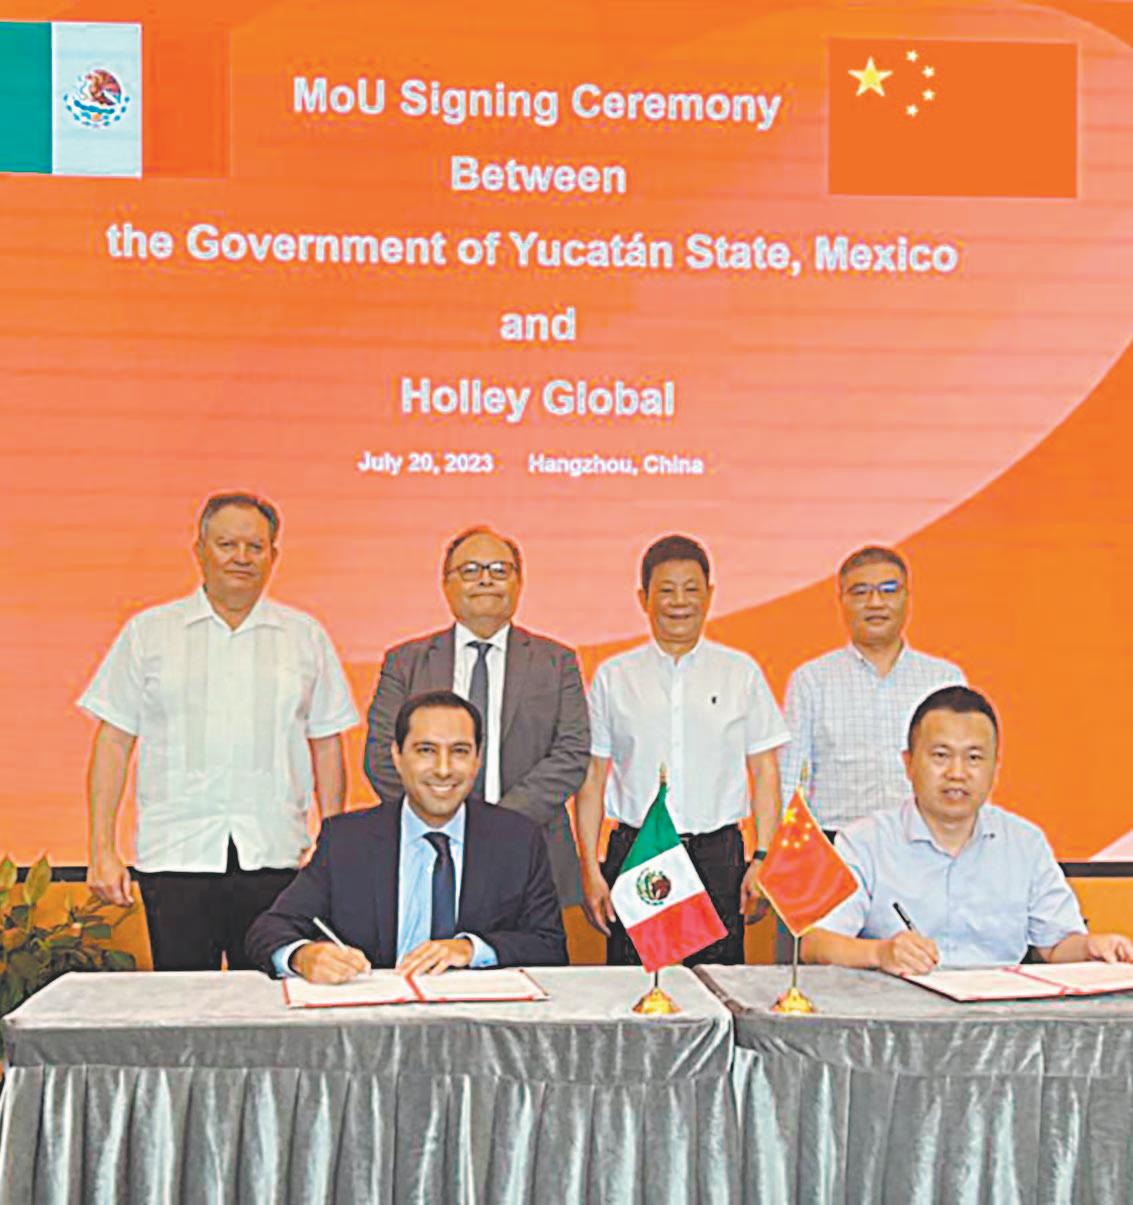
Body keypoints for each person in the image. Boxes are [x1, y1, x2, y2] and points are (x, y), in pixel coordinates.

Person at [80, 492, 358, 971]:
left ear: (273, 555)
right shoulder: (150, 632)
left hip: (276, 854)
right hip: (176, 855)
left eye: (255, 546)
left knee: (272, 995)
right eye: (227, 544)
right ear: (199, 550)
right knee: (183, 999)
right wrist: (101, 848)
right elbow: (114, 742)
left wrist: (331, 845)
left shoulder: (305, 636)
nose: (241, 557)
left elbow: (327, 743)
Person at [802, 686, 1133, 972]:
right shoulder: (864, 841)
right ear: (909, 763)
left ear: (995, 768)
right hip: (896, 1014)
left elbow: (1057, 944)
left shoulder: (1025, 844)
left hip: (1000, 1017)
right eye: (941, 755)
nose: (957, 773)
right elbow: (816, 943)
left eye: (974, 758)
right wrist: (880, 953)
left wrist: (1091, 947)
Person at [246, 691, 568, 980]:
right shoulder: (347, 841)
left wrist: (472, 949)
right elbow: (269, 930)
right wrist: (302, 956)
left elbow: (550, 946)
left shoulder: (518, 839)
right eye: (426, 750)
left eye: (459, 751)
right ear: (397, 756)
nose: (443, 769)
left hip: (478, 1021)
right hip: (375, 1018)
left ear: (477, 760)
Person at [575, 534, 789, 966]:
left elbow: (765, 771)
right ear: (643, 598)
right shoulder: (615, 676)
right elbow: (592, 777)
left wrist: (763, 857)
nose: (679, 602)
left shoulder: (740, 672)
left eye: (691, 589)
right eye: (666, 590)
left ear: (709, 595)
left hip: (717, 858)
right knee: (637, 987)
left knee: (717, 987)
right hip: (639, 854)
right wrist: (590, 869)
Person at [363, 527, 589, 908]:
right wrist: (441, 820)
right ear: (446, 584)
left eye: (499, 570)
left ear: (519, 582)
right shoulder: (405, 662)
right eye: (470, 570)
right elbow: (383, 755)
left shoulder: (556, 661)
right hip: (427, 849)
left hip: (533, 849)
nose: (486, 579)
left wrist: (496, 827)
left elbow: (572, 753)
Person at [779, 546, 965, 836]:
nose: (875, 602)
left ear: (907, 597)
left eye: (888, 590)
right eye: (860, 592)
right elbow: (791, 780)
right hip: (837, 842)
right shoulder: (811, 680)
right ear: (841, 601)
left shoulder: (944, 679)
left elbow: (964, 771)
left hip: (925, 839)